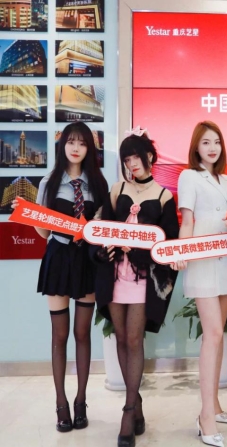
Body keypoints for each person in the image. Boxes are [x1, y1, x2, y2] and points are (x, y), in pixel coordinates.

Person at [11, 122, 108, 433]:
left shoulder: (98, 183)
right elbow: (43, 232)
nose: (76, 148)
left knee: (82, 333)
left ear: (89, 148)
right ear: (63, 145)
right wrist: (30, 214)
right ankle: (61, 403)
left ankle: (81, 401)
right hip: (58, 258)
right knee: (59, 335)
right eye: (71, 141)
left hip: (87, 261)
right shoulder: (49, 182)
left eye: (82, 143)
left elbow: (102, 228)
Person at [91, 129, 179, 447]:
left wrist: (140, 251)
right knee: (120, 337)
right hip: (115, 275)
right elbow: (101, 229)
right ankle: (136, 402)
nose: (132, 164)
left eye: (136, 157)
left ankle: (128, 412)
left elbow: (168, 244)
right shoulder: (117, 190)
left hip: (144, 279)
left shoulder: (164, 196)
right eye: (126, 159)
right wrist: (104, 251)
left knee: (133, 338)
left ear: (149, 157)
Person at [173, 121, 227, 447]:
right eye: (206, 142)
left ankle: (214, 404)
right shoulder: (188, 176)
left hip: (226, 260)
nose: (212, 148)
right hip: (202, 260)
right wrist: (181, 251)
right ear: (196, 147)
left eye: (217, 142)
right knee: (212, 334)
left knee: (219, 333)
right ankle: (205, 417)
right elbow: (187, 221)